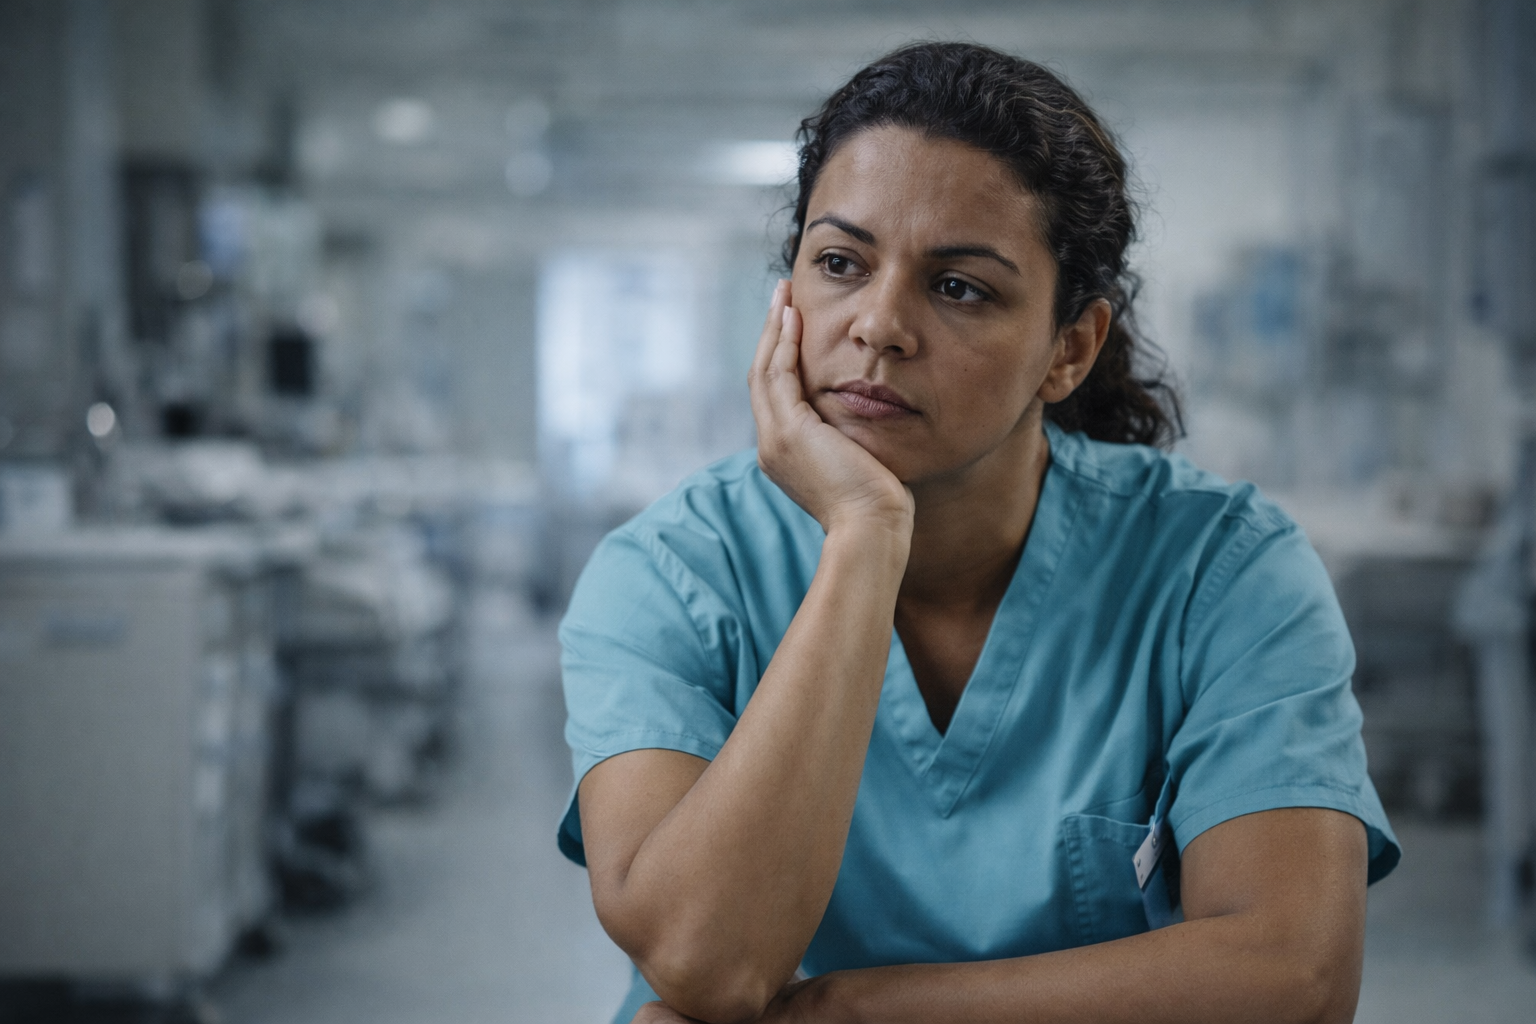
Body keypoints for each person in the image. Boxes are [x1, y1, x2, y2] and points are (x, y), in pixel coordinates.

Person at [558, 42, 1399, 1024]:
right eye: (840, 262)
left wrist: (848, 1013)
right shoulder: (671, 573)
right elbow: (707, 962)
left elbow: (1293, 979)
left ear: (1068, 349)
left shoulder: (1222, 571)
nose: (879, 324)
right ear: (787, 291)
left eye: (959, 287)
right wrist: (865, 539)